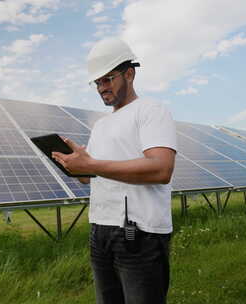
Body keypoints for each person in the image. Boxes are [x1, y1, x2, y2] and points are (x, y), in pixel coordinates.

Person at [52, 37, 177, 304]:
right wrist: (75, 166)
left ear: (129, 73)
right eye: (97, 82)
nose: (102, 88)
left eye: (107, 79)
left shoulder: (151, 111)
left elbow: (161, 168)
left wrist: (92, 165)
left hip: (138, 233)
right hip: (100, 230)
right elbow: (92, 177)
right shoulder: (101, 126)